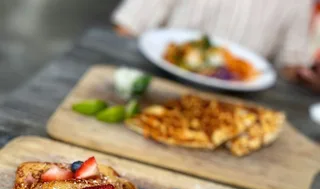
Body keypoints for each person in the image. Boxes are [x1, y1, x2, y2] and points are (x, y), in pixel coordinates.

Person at [112, 0, 320, 92]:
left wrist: (308, 77)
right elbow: (128, 26)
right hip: (160, 85)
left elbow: (292, 65)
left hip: (242, 103)